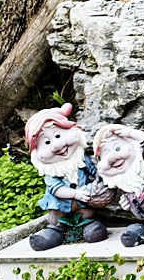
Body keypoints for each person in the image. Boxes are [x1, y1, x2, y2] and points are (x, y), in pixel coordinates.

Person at [25, 104, 114, 251]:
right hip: (60, 207)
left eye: (58, 136)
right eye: (47, 142)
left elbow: (95, 172)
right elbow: (56, 189)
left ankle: (91, 228)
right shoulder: (51, 172)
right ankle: (53, 234)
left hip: (84, 205)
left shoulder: (82, 160)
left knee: (88, 215)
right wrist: (76, 194)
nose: (57, 145)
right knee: (55, 220)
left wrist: (101, 177)